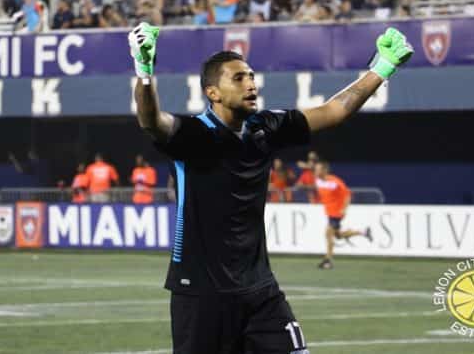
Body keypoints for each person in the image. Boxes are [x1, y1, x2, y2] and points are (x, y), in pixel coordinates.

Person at [129, 22, 413, 353]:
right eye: (238, 78)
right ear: (213, 93)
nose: (251, 84)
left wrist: (383, 67)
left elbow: (335, 110)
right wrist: (144, 71)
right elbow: (151, 120)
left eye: (251, 76)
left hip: (260, 291)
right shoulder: (192, 135)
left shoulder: (266, 127)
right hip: (202, 295)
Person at [313, 161, 370, 269]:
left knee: (328, 234)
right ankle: (363, 232)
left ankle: (328, 261)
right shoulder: (318, 181)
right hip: (329, 213)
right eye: (315, 169)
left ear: (325, 170)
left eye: (318, 169)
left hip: (337, 213)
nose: (315, 171)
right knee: (338, 236)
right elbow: (323, 194)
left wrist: (344, 209)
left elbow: (347, 195)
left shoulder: (335, 182)